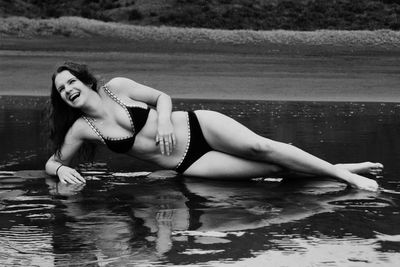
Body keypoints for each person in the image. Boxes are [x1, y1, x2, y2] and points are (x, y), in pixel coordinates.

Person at [45, 62, 383, 191]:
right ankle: (339, 169)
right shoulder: (82, 129)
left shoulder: (116, 87)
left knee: (262, 147)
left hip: (198, 126)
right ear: (62, 99)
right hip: (190, 163)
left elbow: (163, 97)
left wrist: (163, 119)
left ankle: (347, 178)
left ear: (84, 80)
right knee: (268, 169)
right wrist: (60, 172)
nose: (68, 90)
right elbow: (54, 161)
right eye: (62, 90)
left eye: (71, 81)